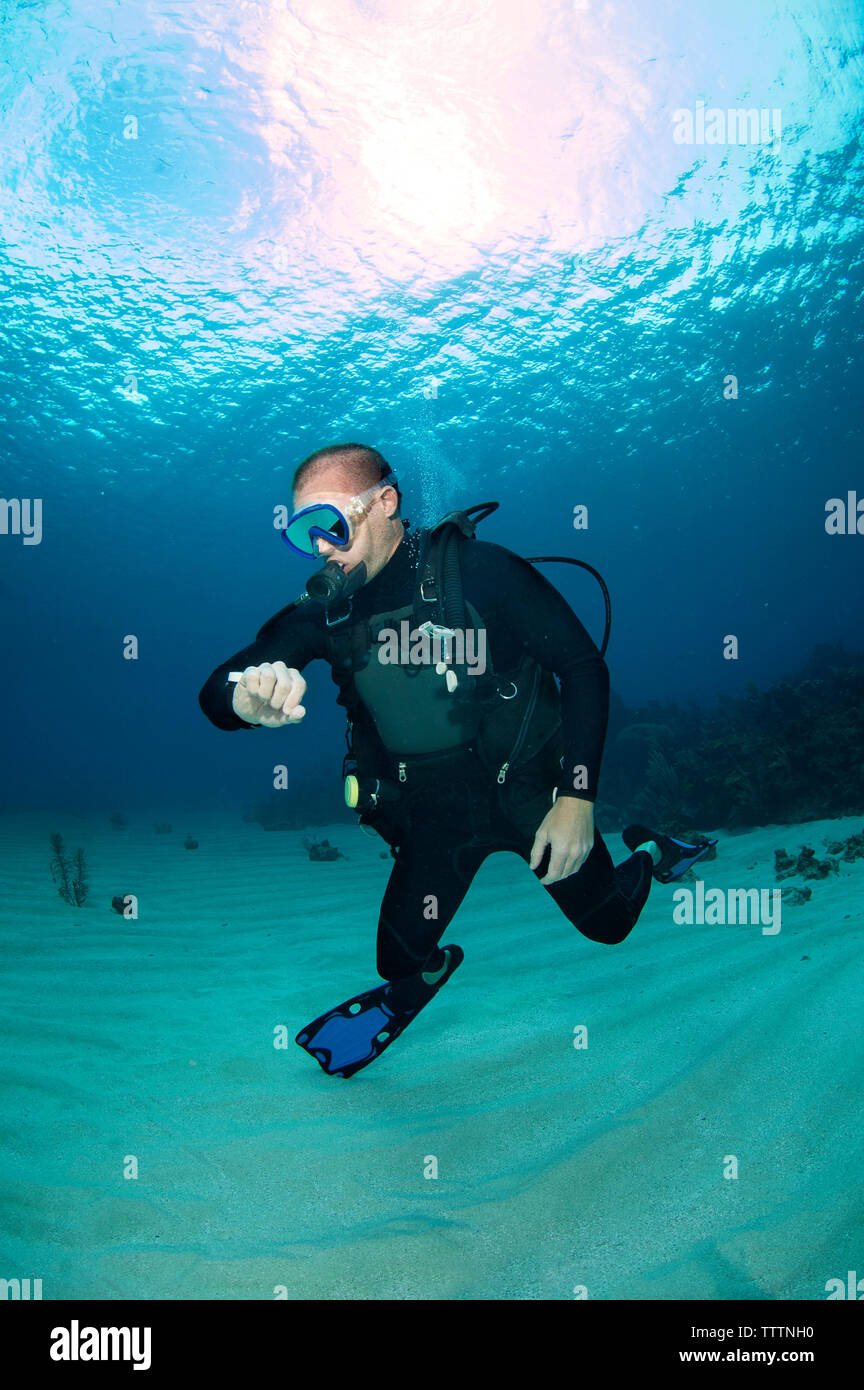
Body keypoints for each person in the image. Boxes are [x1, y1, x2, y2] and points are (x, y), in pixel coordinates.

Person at [199, 443, 715, 1077]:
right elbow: (218, 688)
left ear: (385, 502)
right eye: (302, 534)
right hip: (436, 813)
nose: (321, 548)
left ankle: (653, 853)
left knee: (609, 926)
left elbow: (582, 669)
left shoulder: (483, 573)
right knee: (397, 960)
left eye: (329, 523)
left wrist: (576, 800)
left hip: (531, 793)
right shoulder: (326, 615)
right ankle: (428, 977)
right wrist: (246, 700)